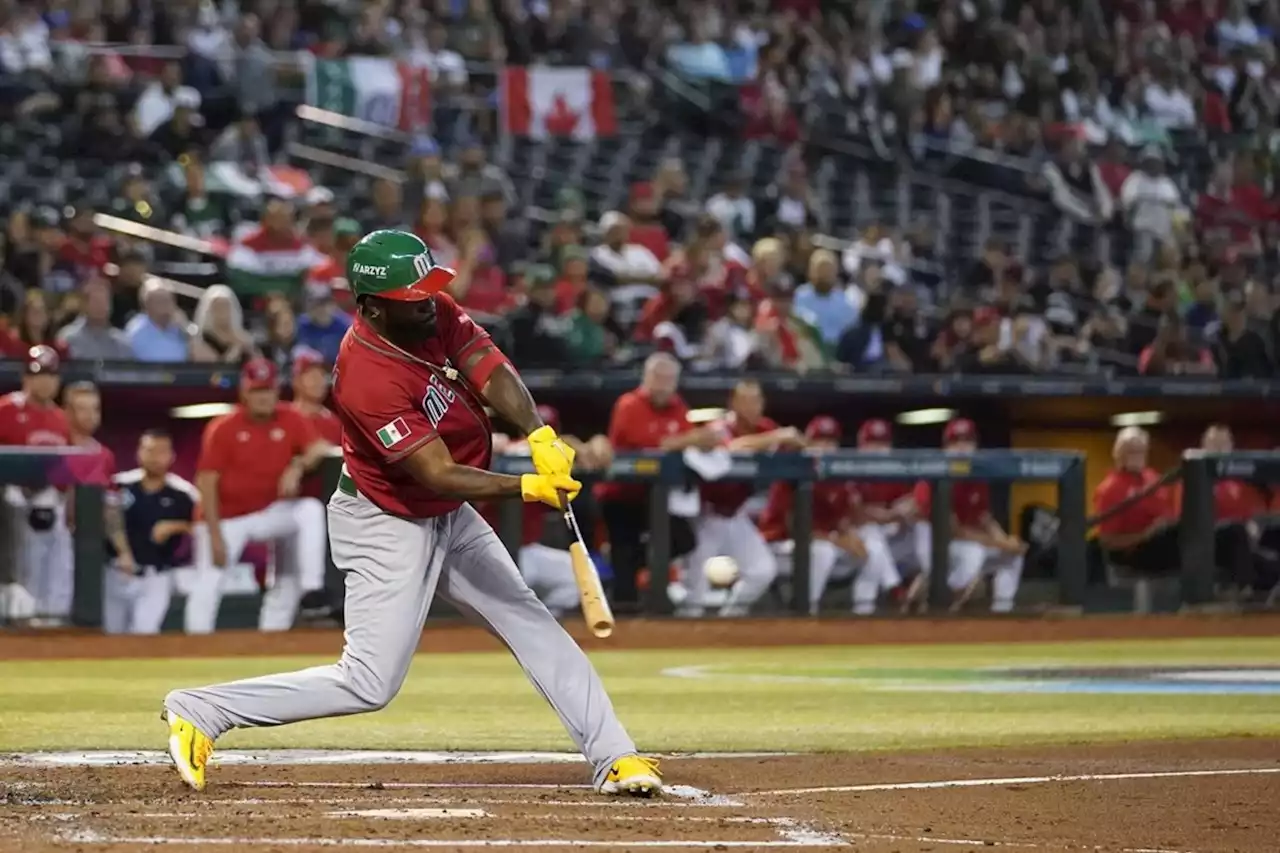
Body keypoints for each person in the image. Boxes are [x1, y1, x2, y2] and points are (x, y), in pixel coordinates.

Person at [162, 230, 662, 798]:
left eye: (429, 291)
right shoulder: (365, 375)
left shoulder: (429, 310)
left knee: (530, 620)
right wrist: (527, 486)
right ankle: (202, 710)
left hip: (444, 512)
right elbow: (436, 472)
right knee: (369, 683)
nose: (429, 303)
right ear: (372, 305)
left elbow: (489, 367)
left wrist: (538, 431)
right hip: (385, 520)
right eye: (413, 298)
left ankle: (615, 755)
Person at [185, 357, 332, 635]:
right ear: (244, 392)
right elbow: (207, 482)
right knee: (210, 579)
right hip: (226, 518)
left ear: (277, 391)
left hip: (268, 511)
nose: (263, 397)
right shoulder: (224, 427)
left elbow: (319, 448)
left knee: (309, 511)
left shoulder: (291, 417)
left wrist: (297, 466)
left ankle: (310, 591)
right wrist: (214, 535)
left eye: (267, 390)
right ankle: (195, 645)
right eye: (256, 391)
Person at [596, 352, 718, 611]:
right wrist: (689, 439)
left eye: (669, 379)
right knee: (624, 558)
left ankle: (634, 567)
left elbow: (687, 443)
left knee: (683, 538)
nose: (663, 385)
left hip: (656, 497)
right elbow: (649, 446)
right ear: (647, 378)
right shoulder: (629, 404)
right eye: (658, 378)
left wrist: (701, 440)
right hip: (621, 495)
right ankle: (622, 619)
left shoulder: (678, 406)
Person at [681, 380, 802, 616]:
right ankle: (684, 636)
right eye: (745, 401)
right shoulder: (718, 427)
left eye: (756, 401)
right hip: (705, 515)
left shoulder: (766, 427)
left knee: (762, 570)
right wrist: (778, 436)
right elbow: (732, 448)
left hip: (735, 516)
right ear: (733, 404)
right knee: (696, 589)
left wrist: (794, 441)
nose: (752, 407)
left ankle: (729, 619)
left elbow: (796, 445)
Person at [758, 416, 898, 615]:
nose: (825, 446)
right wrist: (836, 539)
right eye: (819, 440)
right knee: (824, 551)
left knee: (872, 550)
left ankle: (863, 611)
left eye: (831, 441)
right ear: (808, 443)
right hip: (778, 548)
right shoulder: (791, 474)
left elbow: (842, 520)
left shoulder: (836, 477)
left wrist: (849, 535)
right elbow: (796, 529)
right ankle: (805, 610)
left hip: (819, 547)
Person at [910, 419, 1026, 613]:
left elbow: (984, 518)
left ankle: (1002, 611)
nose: (963, 447)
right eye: (956, 441)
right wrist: (999, 543)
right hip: (934, 544)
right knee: (974, 552)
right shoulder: (933, 478)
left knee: (1012, 555)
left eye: (968, 441)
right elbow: (953, 531)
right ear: (945, 447)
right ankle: (941, 597)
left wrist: (1005, 540)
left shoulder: (976, 476)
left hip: (962, 544)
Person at [0, 346, 72, 623]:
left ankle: (49, 621)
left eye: (51, 375)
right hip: (10, 502)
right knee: (19, 568)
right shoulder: (6, 409)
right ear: (25, 378)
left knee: (52, 568)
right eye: (38, 374)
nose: (45, 381)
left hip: (48, 502)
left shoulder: (60, 418)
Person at [103, 431, 198, 635]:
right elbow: (106, 519)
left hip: (156, 575)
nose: (155, 457)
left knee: (145, 632)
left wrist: (174, 526)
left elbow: (202, 526)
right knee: (111, 635)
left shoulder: (184, 493)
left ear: (172, 456)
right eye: (150, 450)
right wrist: (122, 551)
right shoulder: (119, 484)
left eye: (161, 451)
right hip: (116, 571)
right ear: (139, 453)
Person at [847, 419, 917, 597]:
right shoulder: (849, 470)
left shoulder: (895, 471)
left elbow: (911, 503)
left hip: (891, 533)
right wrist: (892, 514)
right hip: (858, 536)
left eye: (882, 443)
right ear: (861, 447)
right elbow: (859, 515)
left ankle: (927, 591)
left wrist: (890, 514)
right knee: (872, 537)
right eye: (872, 443)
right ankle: (894, 588)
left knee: (922, 531)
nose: (878, 449)